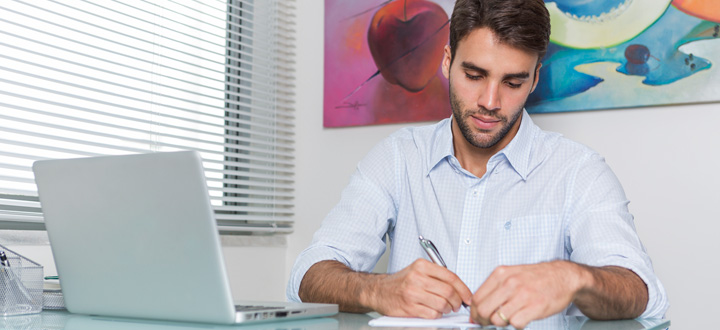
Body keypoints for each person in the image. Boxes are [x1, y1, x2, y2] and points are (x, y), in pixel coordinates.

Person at [287, 0, 669, 328]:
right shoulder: (398, 158)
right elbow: (307, 276)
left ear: (535, 79)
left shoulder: (578, 172)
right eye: (474, 75)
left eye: (513, 82)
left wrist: (574, 278)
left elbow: (643, 293)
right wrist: (376, 289)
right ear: (447, 61)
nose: (490, 100)